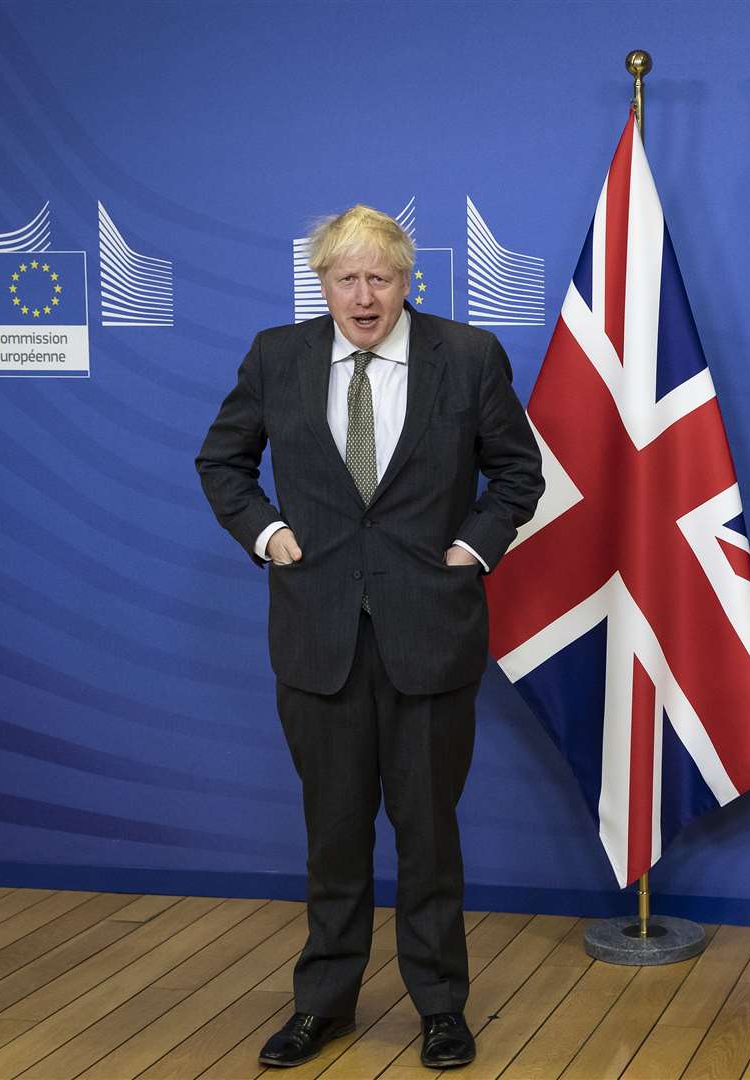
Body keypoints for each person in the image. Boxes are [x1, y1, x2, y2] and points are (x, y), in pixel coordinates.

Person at [196, 204, 543, 1070]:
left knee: (429, 836)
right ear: (321, 284)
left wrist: (473, 547)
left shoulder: (466, 357)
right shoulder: (278, 356)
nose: (363, 295)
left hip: (430, 634)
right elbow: (223, 463)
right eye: (345, 278)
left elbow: (518, 472)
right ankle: (325, 1004)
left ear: (406, 282)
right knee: (334, 834)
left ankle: (439, 1008)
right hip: (316, 639)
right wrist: (267, 534)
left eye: (380, 278)